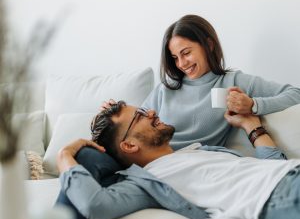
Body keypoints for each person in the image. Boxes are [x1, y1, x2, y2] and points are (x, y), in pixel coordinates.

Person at [56, 101, 300, 219]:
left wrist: (250, 125)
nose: (151, 112)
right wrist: (65, 156)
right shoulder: (146, 183)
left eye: (143, 108)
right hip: (278, 196)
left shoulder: (197, 151)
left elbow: (273, 164)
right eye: (140, 116)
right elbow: (95, 204)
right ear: (129, 146)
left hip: (290, 173)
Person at [103, 14, 300, 149]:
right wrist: (113, 116)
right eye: (175, 57)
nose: (181, 63)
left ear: (209, 45)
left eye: (186, 53)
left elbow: (295, 94)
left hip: (197, 165)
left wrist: (254, 105)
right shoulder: (165, 89)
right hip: (156, 162)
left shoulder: (232, 82)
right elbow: (134, 128)